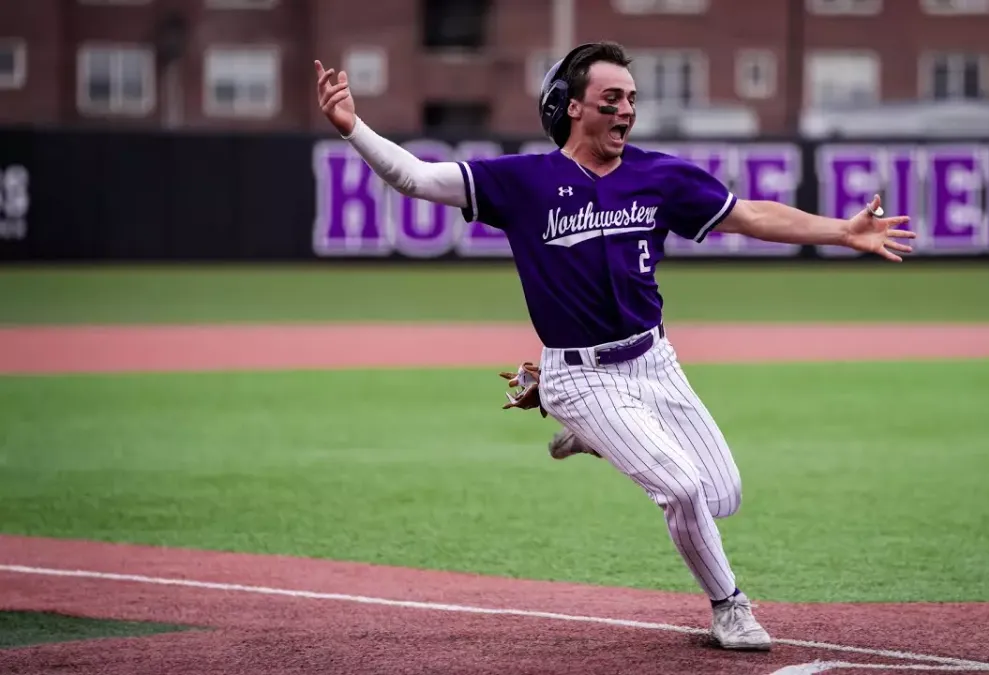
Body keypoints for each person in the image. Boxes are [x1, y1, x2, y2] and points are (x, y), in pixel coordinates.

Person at [314, 41, 914, 652]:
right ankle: (730, 606)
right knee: (680, 491)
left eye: (631, 98)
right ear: (574, 108)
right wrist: (352, 127)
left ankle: (595, 434)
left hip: (656, 361)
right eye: (611, 98)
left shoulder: (660, 176)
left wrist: (842, 230)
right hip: (581, 374)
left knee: (721, 495)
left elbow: (750, 216)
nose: (626, 109)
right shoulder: (523, 181)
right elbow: (415, 177)